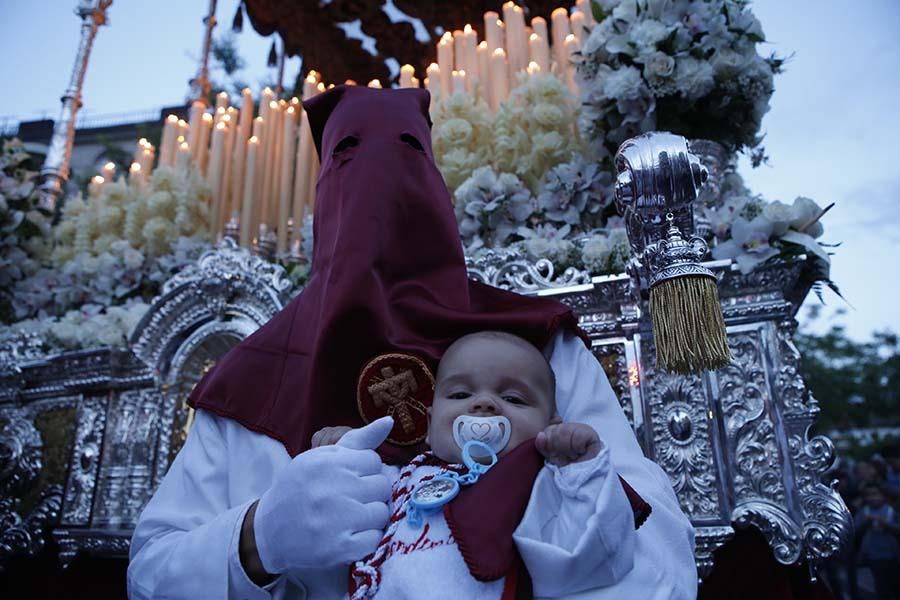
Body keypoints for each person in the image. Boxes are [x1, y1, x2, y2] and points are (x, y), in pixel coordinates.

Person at [127, 85, 697, 599]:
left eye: (407, 149)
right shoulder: (251, 381)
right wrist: (255, 539)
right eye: (348, 153)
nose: (378, 177)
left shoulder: (535, 345)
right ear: (325, 195)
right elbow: (151, 573)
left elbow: (658, 545)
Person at [311, 330, 645, 599]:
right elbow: (346, 507)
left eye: (513, 399)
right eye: (459, 395)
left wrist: (581, 469)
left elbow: (593, 551)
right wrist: (344, 453)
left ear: (550, 425)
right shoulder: (398, 478)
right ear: (428, 426)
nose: (484, 404)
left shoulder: (542, 486)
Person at [853, 483, 900, 599]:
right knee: (881, 586)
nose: (873, 498)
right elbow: (855, 531)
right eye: (869, 495)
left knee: (895, 585)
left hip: (892, 554)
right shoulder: (864, 513)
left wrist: (886, 524)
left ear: (883, 496)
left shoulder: (891, 512)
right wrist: (866, 523)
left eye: (875, 494)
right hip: (874, 556)